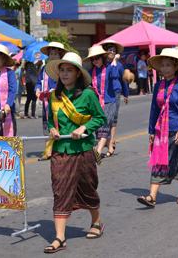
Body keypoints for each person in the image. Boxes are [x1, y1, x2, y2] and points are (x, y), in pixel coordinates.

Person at [43, 52, 106, 253]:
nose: (64, 74)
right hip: (60, 151)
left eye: (69, 70)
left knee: (87, 188)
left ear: (78, 73)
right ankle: (59, 237)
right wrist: (52, 129)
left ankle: (96, 222)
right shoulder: (55, 95)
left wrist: (84, 128)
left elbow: (100, 117)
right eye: (62, 70)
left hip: (83, 150)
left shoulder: (88, 94)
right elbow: (49, 120)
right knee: (60, 190)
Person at [137, 48, 178, 208]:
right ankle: (152, 196)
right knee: (158, 162)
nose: (165, 68)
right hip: (162, 130)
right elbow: (154, 109)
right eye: (163, 65)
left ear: (176, 67)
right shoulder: (158, 86)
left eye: (168, 65)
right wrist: (151, 131)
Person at [85, 45, 118, 158]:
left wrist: (114, 61)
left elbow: (116, 77)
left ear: (102, 58)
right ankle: (110, 147)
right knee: (99, 126)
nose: (95, 61)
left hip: (110, 101)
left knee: (104, 124)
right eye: (93, 59)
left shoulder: (109, 68)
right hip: (97, 103)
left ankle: (98, 152)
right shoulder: (91, 72)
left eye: (97, 58)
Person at [36, 42, 67, 160]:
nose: (53, 56)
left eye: (55, 54)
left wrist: (57, 90)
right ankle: (48, 150)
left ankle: (60, 149)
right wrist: (37, 89)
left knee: (60, 124)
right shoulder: (44, 69)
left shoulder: (62, 68)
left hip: (59, 101)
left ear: (60, 55)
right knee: (46, 125)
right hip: (46, 102)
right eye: (51, 54)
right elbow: (39, 81)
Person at [100, 40, 129, 157]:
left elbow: (124, 80)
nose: (111, 52)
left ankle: (111, 142)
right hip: (103, 94)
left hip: (115, 93)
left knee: (113, 119)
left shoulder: (119, 65)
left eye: (113, 50)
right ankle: (107, 141)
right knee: (105, 118)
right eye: (109, 50)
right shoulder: (103, 65)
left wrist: (126, 94)